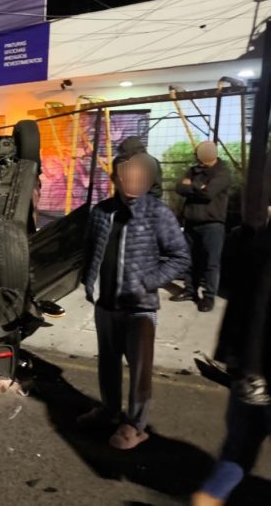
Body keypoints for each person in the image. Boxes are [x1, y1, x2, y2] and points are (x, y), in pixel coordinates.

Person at [79, 153, 190, 450]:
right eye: (125, 174)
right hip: (105, 304)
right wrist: (88, 281)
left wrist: (149, 281)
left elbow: (180, 257)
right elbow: (90, 248)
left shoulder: (158, 213)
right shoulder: (101, 211)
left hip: (140, 308)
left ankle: (136, 425)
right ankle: (110, 410)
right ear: (115, 178)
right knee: (108, 364)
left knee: (140, 369)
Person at [192, 220, 271, 506]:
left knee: (238, 449)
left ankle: (207, 499)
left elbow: (243, 299)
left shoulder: (262, 238)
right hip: (256, 370)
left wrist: (236, 361)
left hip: (248, 369)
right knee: (239, 448)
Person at [172, 141, 231, 312]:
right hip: (191, 222)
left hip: (212, 225)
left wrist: (191, 186)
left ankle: (209, 297)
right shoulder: (193, 170)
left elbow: (209, 193)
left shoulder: (222, 171)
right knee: (190, 260)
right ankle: (190, 290)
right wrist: (199, 187)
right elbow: (179, 187)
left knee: (211, 263)